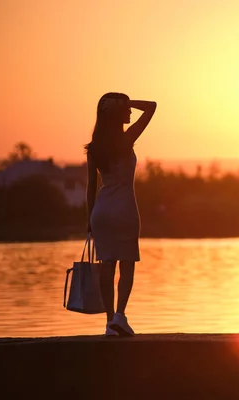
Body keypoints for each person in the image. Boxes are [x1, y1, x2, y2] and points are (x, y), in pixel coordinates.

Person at [85, 92, 156, 337]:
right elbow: (152, 107)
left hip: (101, 211)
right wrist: (130, 101)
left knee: (107, 265)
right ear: (117, 113)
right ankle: (120, 316)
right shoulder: (126, 140)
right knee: (126, 267)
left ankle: (108, 323)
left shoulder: (94, 148)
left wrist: (89, 219)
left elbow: (90, 188)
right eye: (125, 109)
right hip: (124, 208)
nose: (129, 112)